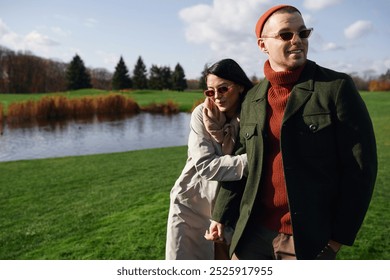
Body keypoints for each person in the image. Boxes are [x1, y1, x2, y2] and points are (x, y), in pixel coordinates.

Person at [207, 5, 377, 260]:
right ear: (263, 45)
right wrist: (221, 215)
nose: (297, 40)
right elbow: (242, 164)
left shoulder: (335, 88)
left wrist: (336, 240)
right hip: (250, 234)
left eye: (303, 33)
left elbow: (360, 169)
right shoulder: (252, 97)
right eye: (286, 35)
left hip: (305, 240)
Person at [165, 58, 253, 260]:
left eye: (223, 89)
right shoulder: (200, 114)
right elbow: (206, 166)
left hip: (231, 206)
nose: (216, 97)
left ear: (239, 86)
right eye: (210, 91)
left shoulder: (251, 117)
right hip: (192, 203)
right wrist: (255, 161)